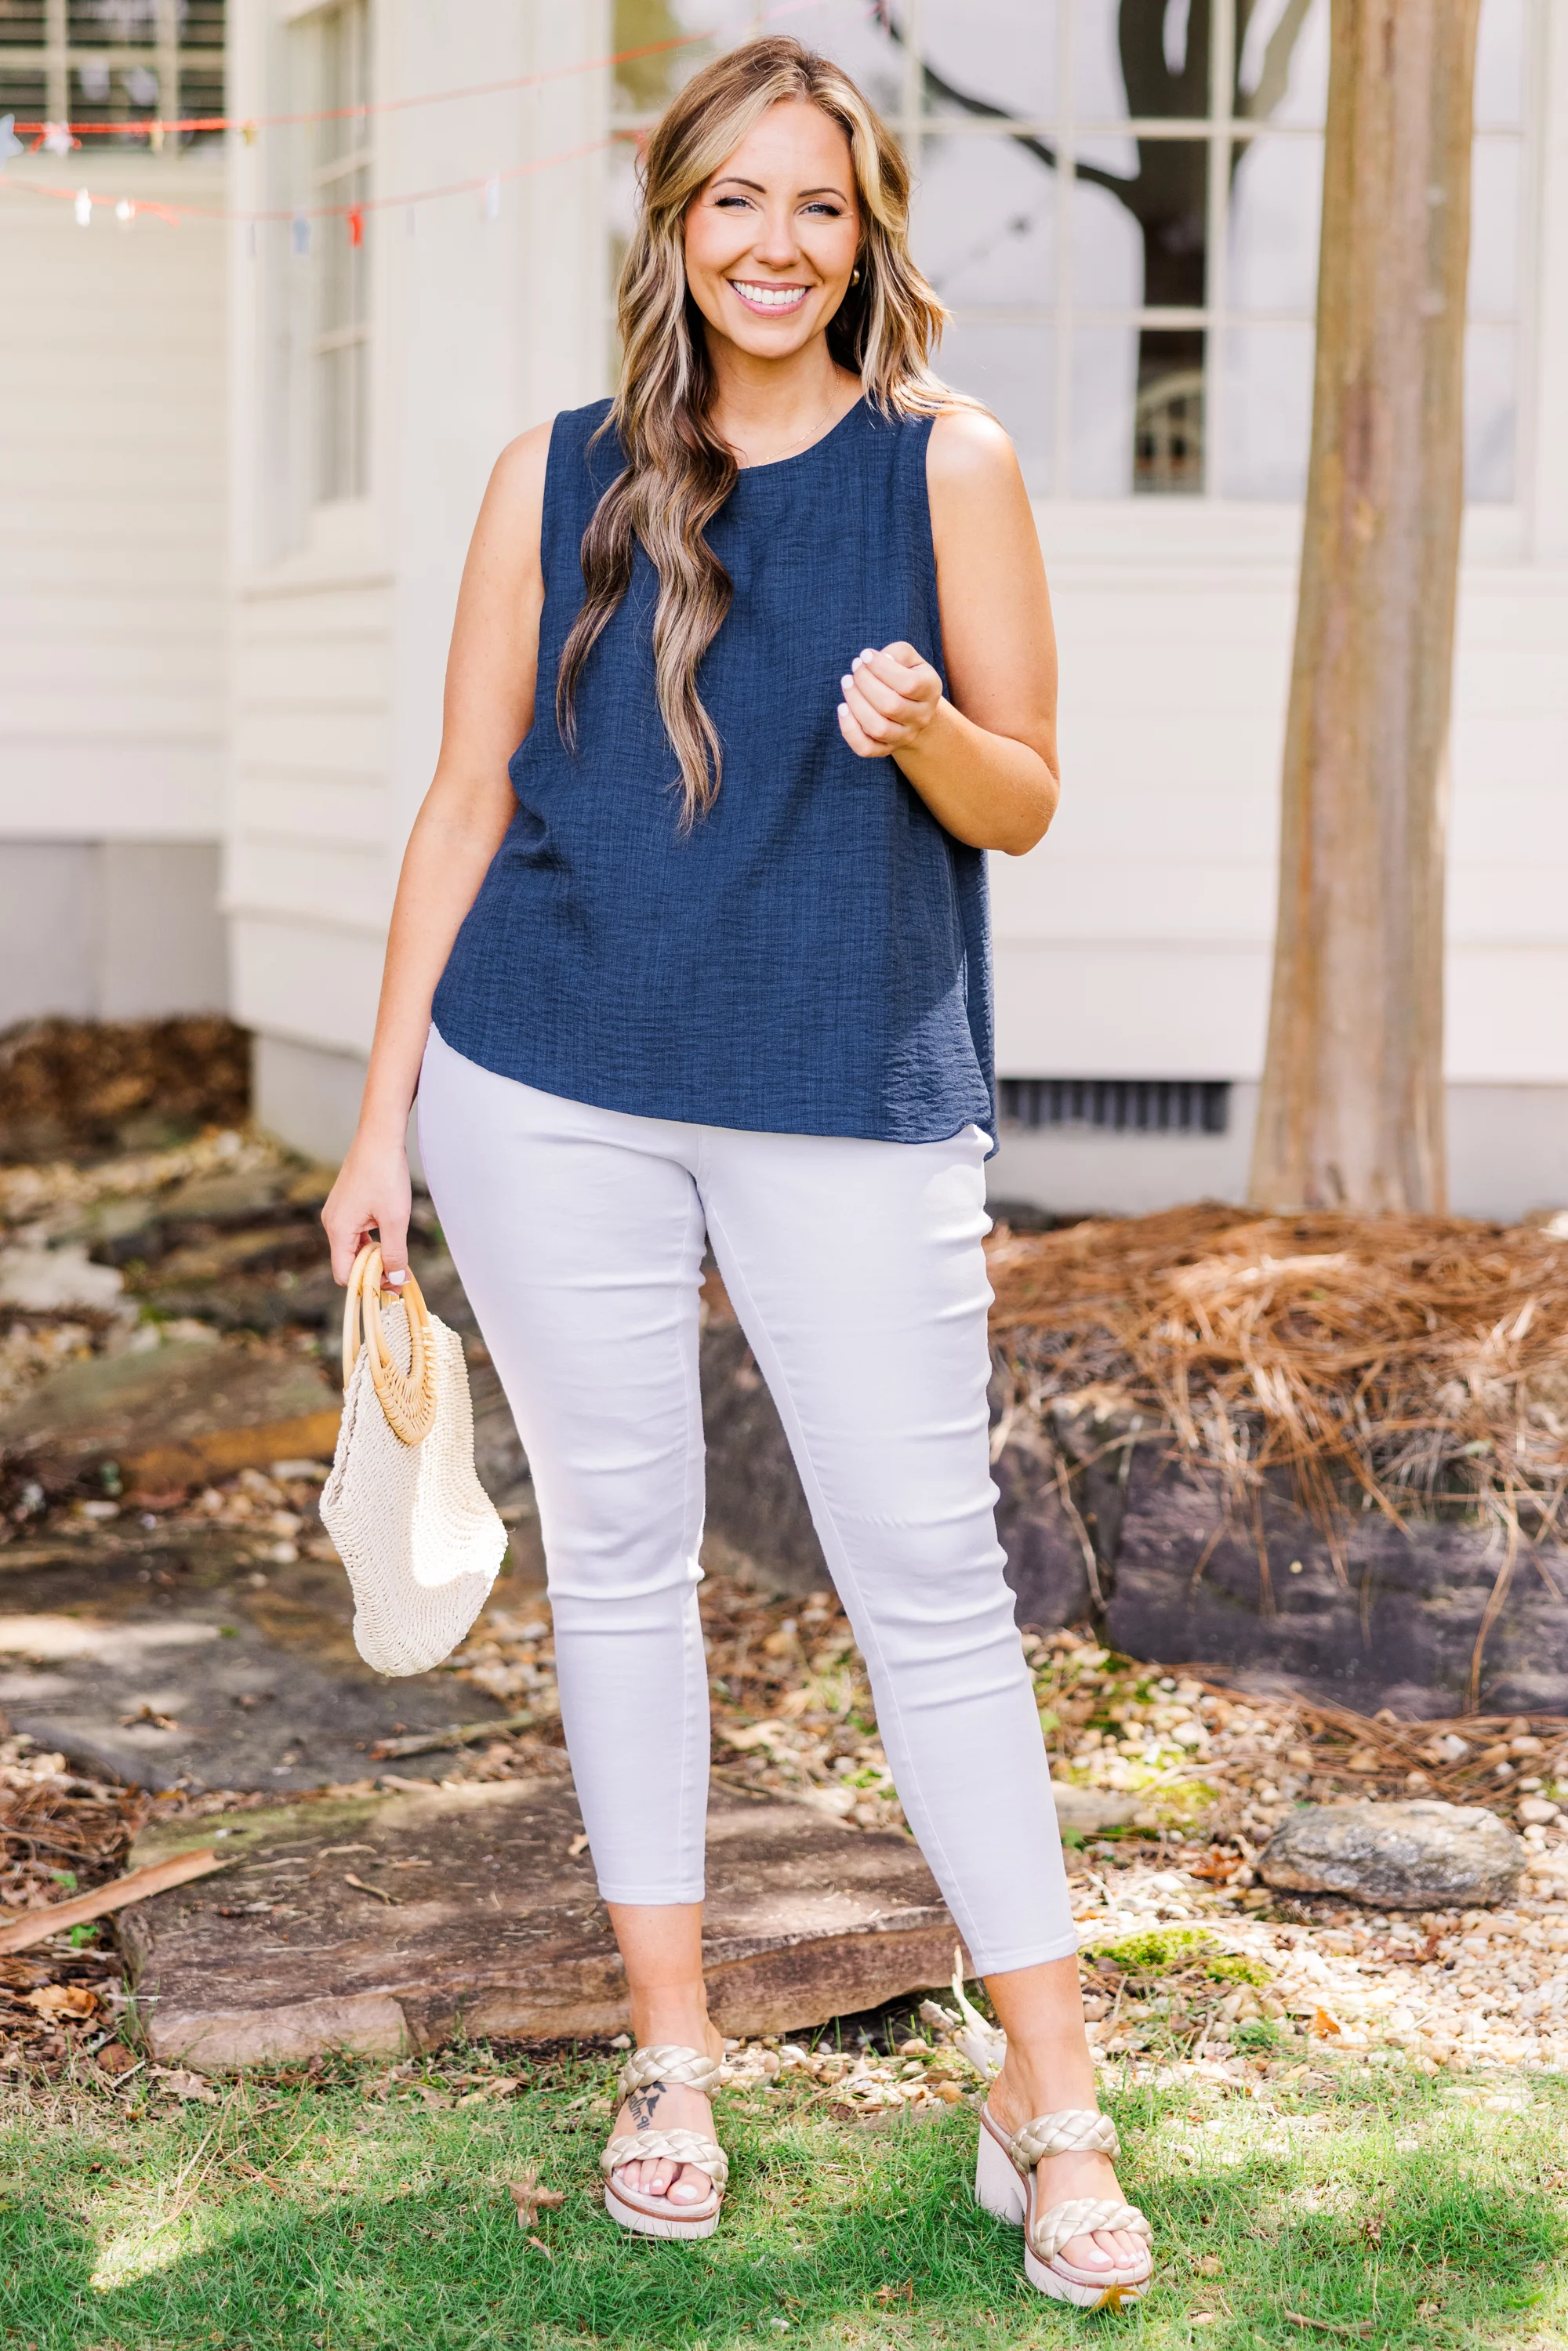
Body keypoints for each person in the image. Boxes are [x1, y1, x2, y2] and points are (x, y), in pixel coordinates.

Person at [321, 33, 1153, 2311]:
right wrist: (381, 1114)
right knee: (623, 1554)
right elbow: (469, 798)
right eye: (734, 204)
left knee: (926, 1576)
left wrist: (931, 732)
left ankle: (1048, 2088)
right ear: (671, 222)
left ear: (866, 232)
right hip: (547, 1069)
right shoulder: (558, 476)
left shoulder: (944, 467)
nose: (776, 247)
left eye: (818, 207)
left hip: (849, 1079)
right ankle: (673, 2056)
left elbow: (1030, 801)